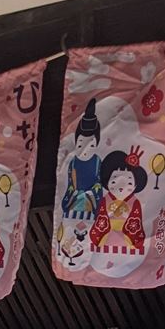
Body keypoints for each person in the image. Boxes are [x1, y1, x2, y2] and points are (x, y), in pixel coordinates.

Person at [60, 98, 104, 259]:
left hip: (90, 200)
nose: (85, 150)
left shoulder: (97, 161)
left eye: (90, 145)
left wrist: (93, 191)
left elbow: (99, 181)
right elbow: (69, 182)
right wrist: (73, 191)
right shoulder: (73, 162)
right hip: (74, 198)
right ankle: (70, 248)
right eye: (80, 145)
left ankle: (84, 247)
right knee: (71, 225)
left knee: (87, 226)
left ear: (96, 144)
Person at [89, 146, 147, 256]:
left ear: (135, 185)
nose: (121, 187)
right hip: (107, 231)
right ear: (107, 181)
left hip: (127, 233)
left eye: (129, 183)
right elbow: (101, 216)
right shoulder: (106, 199)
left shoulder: (135, 202)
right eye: (114, 181)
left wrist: (126, 215)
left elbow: (136, 220)